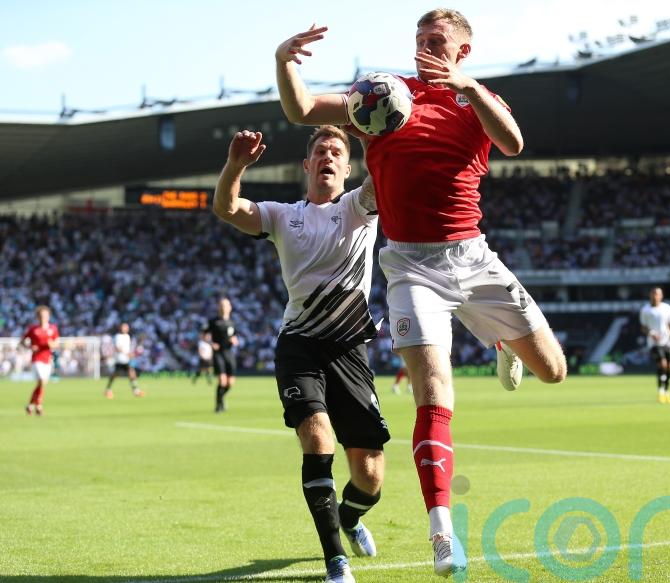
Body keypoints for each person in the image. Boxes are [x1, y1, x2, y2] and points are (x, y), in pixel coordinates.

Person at [275, 9, 567, 577]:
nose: (424, 50)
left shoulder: (477, 101)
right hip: (411, 265)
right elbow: (302, 109)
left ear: (463, 51)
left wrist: (469, 89)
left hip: (474, 257)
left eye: (436, 41)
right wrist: (284, 61)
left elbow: (513, 142)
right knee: (434, 394)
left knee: (554, 370)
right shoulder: (384, 96)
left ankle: (501, 343)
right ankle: (442, 532)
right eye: (419, 41)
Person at [213, 126, 389, 583]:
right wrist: (237, 165)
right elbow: (227, 208)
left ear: (347, 169)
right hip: (299, 346)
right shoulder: (281, 215)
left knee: (370, 476)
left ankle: (349, 519)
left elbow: (384, 176)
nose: (328, 156)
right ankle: (336, 560)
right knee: (318, 439)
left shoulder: (358, 207)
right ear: (307, 166)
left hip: (350, 350)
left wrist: (371, 137)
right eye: (319, 151)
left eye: (336, 151)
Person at [640, 287, 670, 404]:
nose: (655, 296)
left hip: (667, 342)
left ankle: (667, 392)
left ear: (661, 296)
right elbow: (643, 327)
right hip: (654, 343)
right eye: (653, 293)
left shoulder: (666, 308)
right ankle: (660, 393)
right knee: (662, 365)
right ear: (650, 295)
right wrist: (651, 333)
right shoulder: (646, 310)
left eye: (658, 294)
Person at [21, 305, 59, 416]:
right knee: (42, 381)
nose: (44, 318)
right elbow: (22, 341)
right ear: (38, 317)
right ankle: (38, 405)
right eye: (42, 316)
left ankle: (30, 405)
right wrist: (29, 347)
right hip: (36, 359)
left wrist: (52, 344)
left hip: (48, 358)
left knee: (42, 383)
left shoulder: (53, 329)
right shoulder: (33, 329)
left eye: (46, 316)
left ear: (49, 316)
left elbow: (56, 342)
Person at [206, 297, 239, 413]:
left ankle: (221, 397)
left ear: (230, 308)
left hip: (229, 353)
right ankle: (218, 405)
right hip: (218, 353)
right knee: (222, 380)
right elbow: (204, 335)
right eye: (221, 305)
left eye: (226, 305)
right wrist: (211, 343)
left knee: (230, 383)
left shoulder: (232, 322)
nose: (223, 307)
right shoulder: (213, 321)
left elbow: (234, 336)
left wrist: (235, 340)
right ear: (218, 307)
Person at [105, 322, 144, 399]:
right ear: (120, 328)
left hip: (126, 359)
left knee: (131, 373)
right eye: (124, 327)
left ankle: (136, 391)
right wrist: (127, 354)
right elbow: (118, 348)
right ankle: (108, 389)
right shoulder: (118, 337)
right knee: (115, 375)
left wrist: (130, 354)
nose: (126, 328)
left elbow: (127, 348)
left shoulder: (127, 336)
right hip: (119, 359)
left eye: (127, 327)